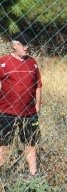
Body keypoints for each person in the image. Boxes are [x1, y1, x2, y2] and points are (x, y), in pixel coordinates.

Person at [0, 33, 43, 176]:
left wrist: (37, 104)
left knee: (30, 144)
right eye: (23, 44)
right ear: (14, 45)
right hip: (6, 112)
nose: (27, 47)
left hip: (29, 113)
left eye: (28, 44)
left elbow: (38, 85)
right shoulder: (3, 62)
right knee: (3, 145)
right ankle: (1, 175)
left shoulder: (33, 63)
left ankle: (33, 175)